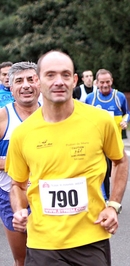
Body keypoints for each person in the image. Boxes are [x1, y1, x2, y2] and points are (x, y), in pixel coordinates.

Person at [6, 50, 129, 266]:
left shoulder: (99, 121)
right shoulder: (22, 133)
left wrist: (113, 205)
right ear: (38, 80)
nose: (58, 82)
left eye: (65, 75)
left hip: (91, 237)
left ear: (74, 81)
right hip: (43, 242)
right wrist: (18, 211)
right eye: (50, 75)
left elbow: (120, 161)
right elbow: (16, 184)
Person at [0, 62, 41, 266]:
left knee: (50, 256)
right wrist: (16, 162)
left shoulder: (52, 115)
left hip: (47, 196)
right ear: (10, 86)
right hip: (11, 194)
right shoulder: (3, 117)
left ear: (39, 84)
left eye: (31, 79)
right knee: (22, 259)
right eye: (19, 81)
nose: (26, 85)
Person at [85, 68, 130, 200]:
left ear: (112, 81)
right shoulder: (91, 99)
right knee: (102, 169)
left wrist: (125, 120)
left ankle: (113, 197)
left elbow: (127, 112)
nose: (105, 85)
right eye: (102, 82)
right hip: (98, 141)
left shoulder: (119, 97)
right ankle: (105, 198)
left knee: (115, 170)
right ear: (97, 83)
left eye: (107, 82)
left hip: (115, 140)